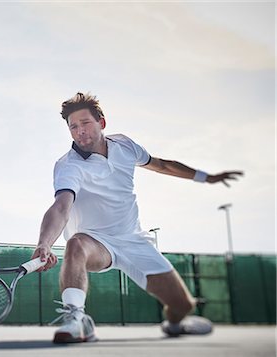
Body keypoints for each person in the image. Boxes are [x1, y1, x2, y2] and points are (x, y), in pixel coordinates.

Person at [31, 92, 243, 344]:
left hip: (134, 240)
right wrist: (44, 243)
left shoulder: (125, 145)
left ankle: (175, 324)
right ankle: (76, 319)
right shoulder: (68, 166)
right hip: (96, 243)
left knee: (183, 305)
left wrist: (206, 177)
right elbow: (61, 207)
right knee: (75, 243)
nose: (79, 131)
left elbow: (162, 165)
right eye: (73, 127)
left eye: (85, 123)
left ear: (102, 123)